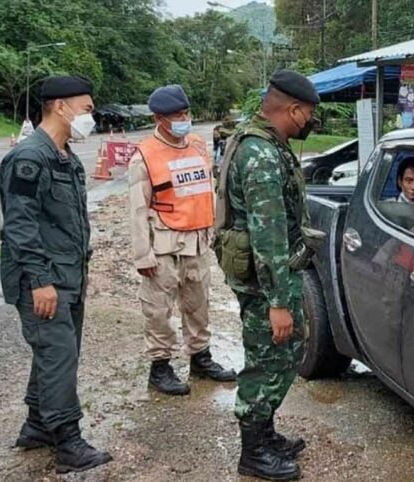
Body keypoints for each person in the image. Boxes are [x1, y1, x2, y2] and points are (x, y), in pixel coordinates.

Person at [0, 75, 112, 473]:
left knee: (56, 355)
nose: (90, 117)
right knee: (58, 354)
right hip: (42, 279)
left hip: (67, 276)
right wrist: (40, 282)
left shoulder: (66, 157)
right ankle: (68, 443)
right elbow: (20, 225)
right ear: (60, 107)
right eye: (87, 108)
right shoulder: (30, 158)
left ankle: (37, 426)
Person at [214, 70, 320, 480]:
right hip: (266, 282)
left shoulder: (262, 141)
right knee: (268, 358)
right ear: (293, 110)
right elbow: (269, 234)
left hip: (266, 277)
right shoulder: (259, 154)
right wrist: (278, 303)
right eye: (308, 114)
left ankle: (265, 432)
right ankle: (253, 451)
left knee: (281, 354)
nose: (310, 123)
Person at [128, 84, 236, 396]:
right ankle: (159, 367)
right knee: (158, 309)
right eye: (176, 115)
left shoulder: (199, 145)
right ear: (158, 119)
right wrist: (142, 254)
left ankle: (200, 358)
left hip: (198, 240)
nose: (184, 119)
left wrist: (215, 230)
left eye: (186, 113)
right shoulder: (144, 155)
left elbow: (208, 188)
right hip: (163, 244)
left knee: (199, 305)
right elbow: (137, 208)